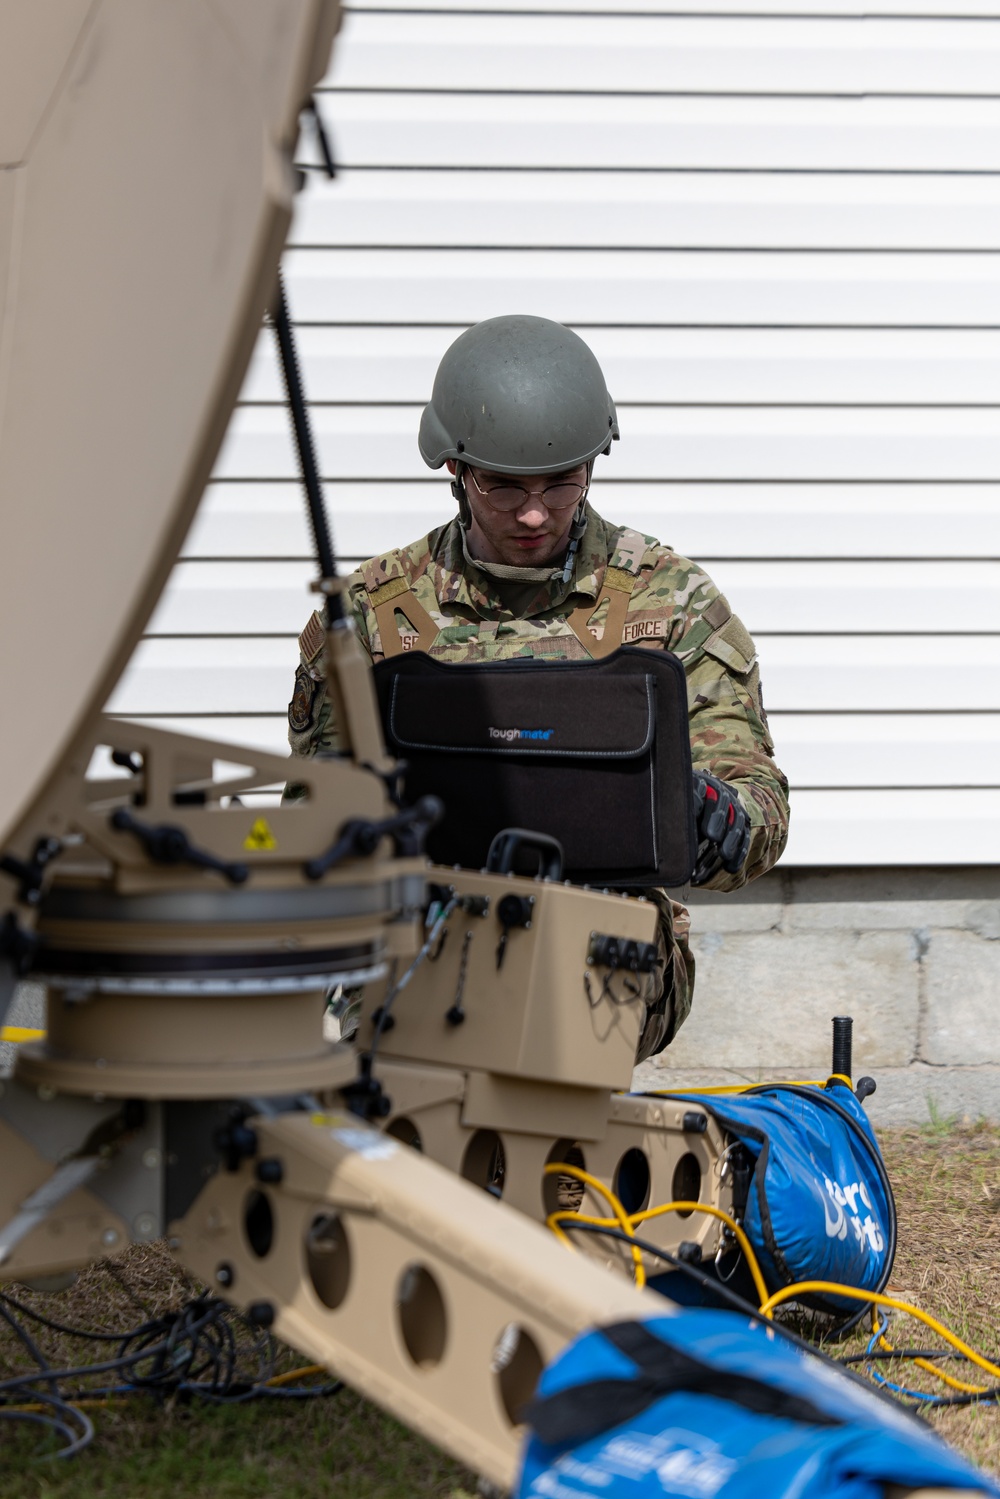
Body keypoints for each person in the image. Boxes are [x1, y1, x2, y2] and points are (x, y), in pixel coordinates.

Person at [286, 315, 789, 1059]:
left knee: (543, 996)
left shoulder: (668, 600)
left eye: (562, 484)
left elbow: (761, 807)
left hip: (602, 940)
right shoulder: (372, 610)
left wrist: (712, 815)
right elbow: (311, 818)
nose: (533, 513)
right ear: (455, 471)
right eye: (503, 486)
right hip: (413, 937)